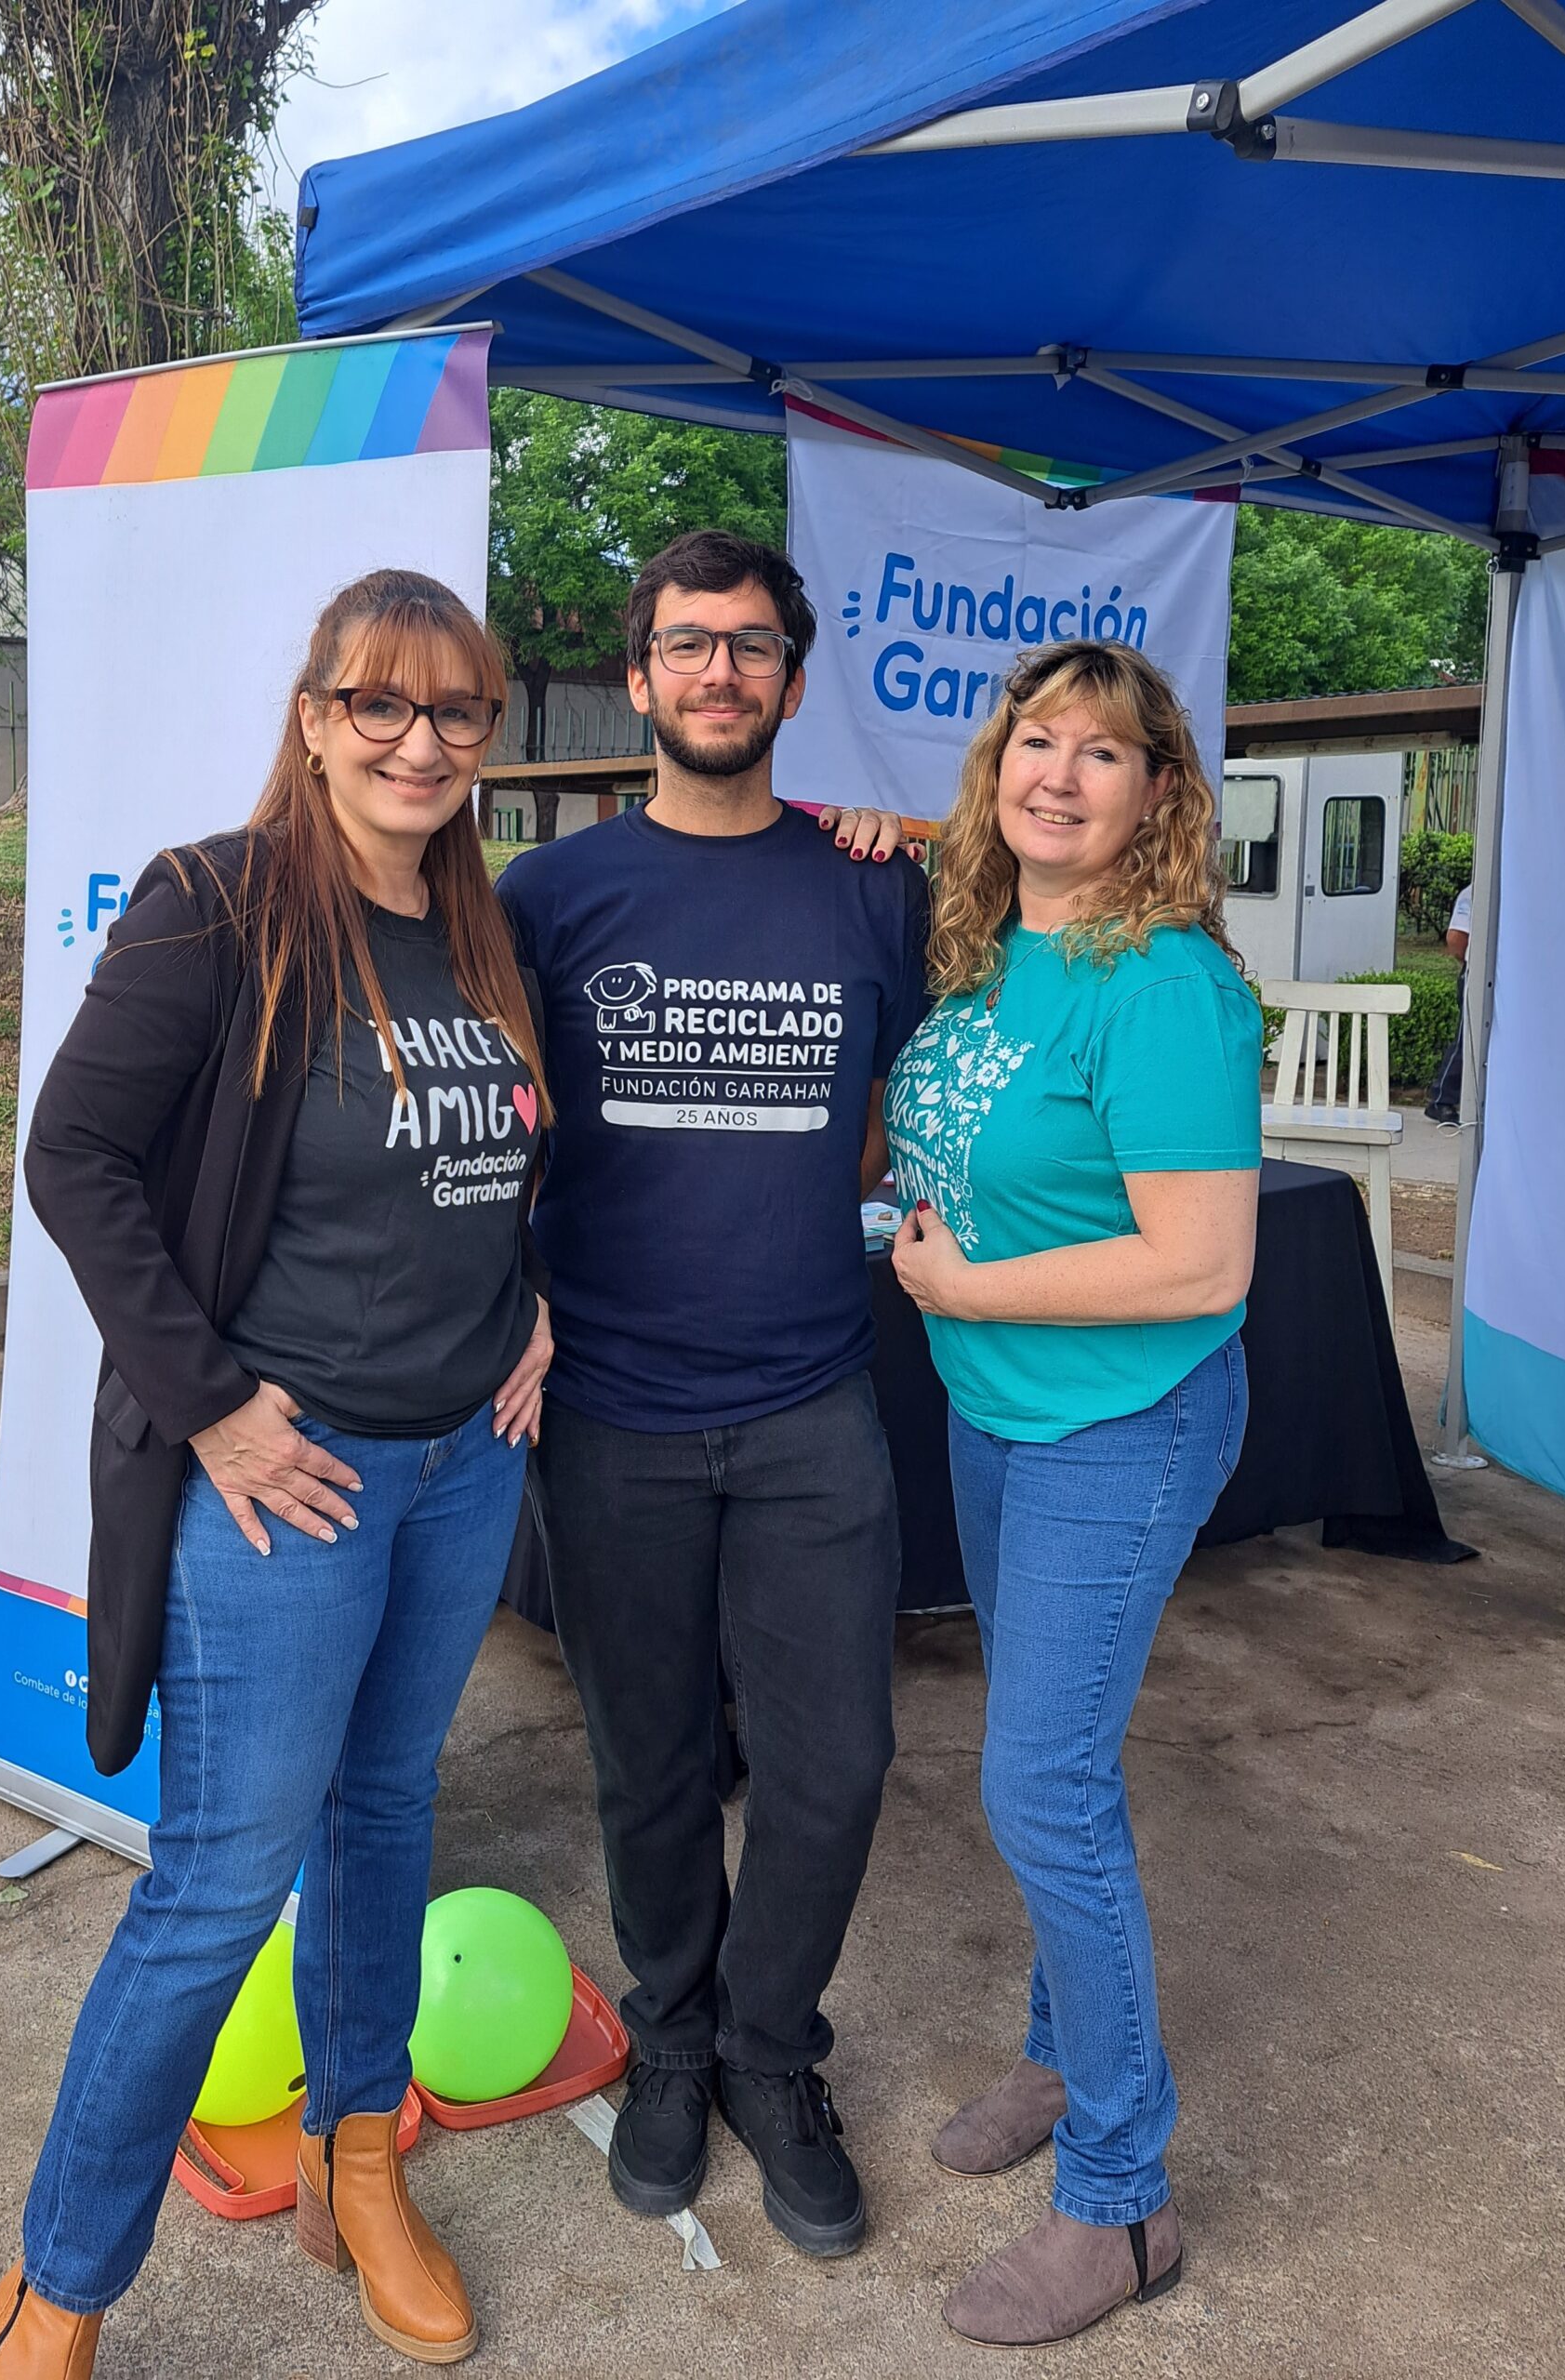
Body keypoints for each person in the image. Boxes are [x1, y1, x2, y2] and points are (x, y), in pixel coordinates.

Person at [0, 571, 554, 2377]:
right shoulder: (217, 903)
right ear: (314, 716)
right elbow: (77, 1159)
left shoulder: (477, 930)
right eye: (379, 701)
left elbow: (497, 1153)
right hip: (286, 1484)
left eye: (455, 712)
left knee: (387, 1814)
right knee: (216, 1886)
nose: (417, 740)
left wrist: (529, 1300)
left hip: (466, 1463)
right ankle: (57, 2290)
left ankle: (350, 2162)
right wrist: (212, 1404)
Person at [497, 530, 931, 2261]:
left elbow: (968, 1037)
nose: (718, 674)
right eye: (688, 646)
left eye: (750, 647)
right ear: (641, 679)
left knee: (834, 1765)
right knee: (648, 1760)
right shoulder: (547, 898)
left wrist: (921, 834)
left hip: (817, 1399)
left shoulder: (870, 890)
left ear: (793, 682)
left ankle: (769, 2048)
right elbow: (478, 1130)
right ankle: (670, 2035)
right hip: (612, 1408)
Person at [884, 641, 1261, 2347]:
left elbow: (1197, 1266)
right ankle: (1057, 2052)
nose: (1057, 773)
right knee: (1063, 1770)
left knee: (1037, 1787)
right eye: (1033, 741)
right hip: (995, 1414)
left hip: (1125, 1421)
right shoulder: (983, 967)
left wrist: (964, 1291)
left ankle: (1122, 2199)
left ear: (1157, 797)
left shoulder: (1162, 984)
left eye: (1100, 754)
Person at [1425, 879, 1472, 1124]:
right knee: (1469, 1039)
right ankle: (1441, 1099)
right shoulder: (1473, 893)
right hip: (1477, 973)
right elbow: (1456, 939)